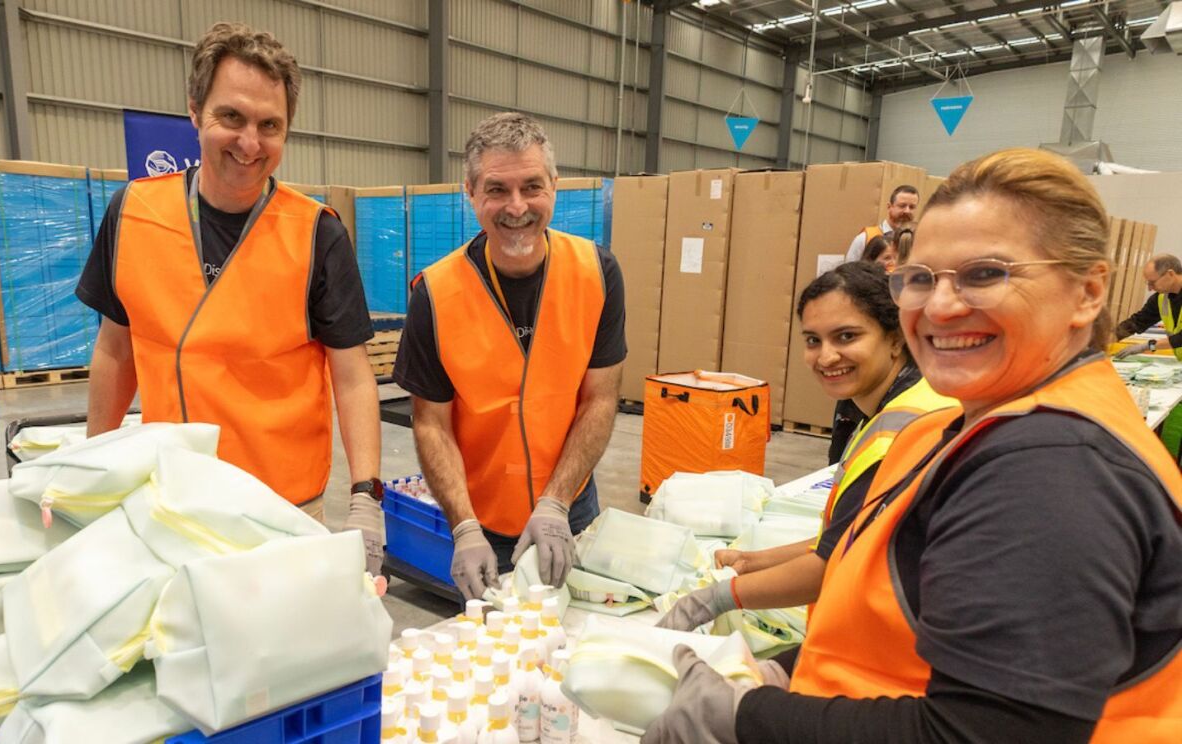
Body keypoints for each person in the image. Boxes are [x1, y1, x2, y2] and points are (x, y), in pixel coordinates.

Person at [643, 148, 1182, 744]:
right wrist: (791, 670)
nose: (941, 306)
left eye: (985, 274)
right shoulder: (971, 427)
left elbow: (983, 732)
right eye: (920, 279)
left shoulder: (1051, 468)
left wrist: (747, 716)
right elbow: (906, 625)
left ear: (1087, 291)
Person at [75, 23, 385, 573]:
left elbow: (353, 374)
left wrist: (366, 495)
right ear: (195, 111)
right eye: (232, 118)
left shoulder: (316, 233)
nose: (249, 143)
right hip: (171, 500)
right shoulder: (133, 214)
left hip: (283, 507)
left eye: (270, 125)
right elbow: (116, 350)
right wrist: (91, 467)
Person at [393, 112, 626, 599]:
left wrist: (557, 504)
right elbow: (430, 423)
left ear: (554, 186)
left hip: (570, 508)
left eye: (531, 187)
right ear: (471, 193)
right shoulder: (434, 294)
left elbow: (599, 399)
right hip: (482, 524)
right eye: (497, 189)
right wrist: (462, 528)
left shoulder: (597, 274)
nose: (516, 206)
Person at [657, 261, 952, 630]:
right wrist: (754, 561)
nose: (826, 357)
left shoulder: (903, 432)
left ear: (895, 338)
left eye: (846, 337)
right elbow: (851, 537)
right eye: (813, 340)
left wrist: (720, 597)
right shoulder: (903, 407)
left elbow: (835, 564)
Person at [1113, 253, 1182, 359]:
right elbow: (1137, 322)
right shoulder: (1161, 298)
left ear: (1170, 274)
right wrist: (1108, 338)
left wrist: (1147, 346)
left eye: (1152, 282)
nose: (1150, 288)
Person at [843, 184, 918, 262]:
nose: (907, 211)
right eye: (902, 206)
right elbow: (848, 272)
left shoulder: (918, 240)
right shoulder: (865, 238)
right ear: (889, 207)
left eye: (912, 207)